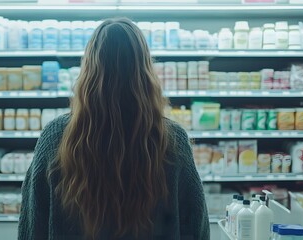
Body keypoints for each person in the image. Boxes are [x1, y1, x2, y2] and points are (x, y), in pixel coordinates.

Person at [18, 18, 209, 240]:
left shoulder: (56, 136)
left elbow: (33, 224)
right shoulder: (171, 138)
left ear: (88, 69)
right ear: (145, 70)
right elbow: (195, 226)